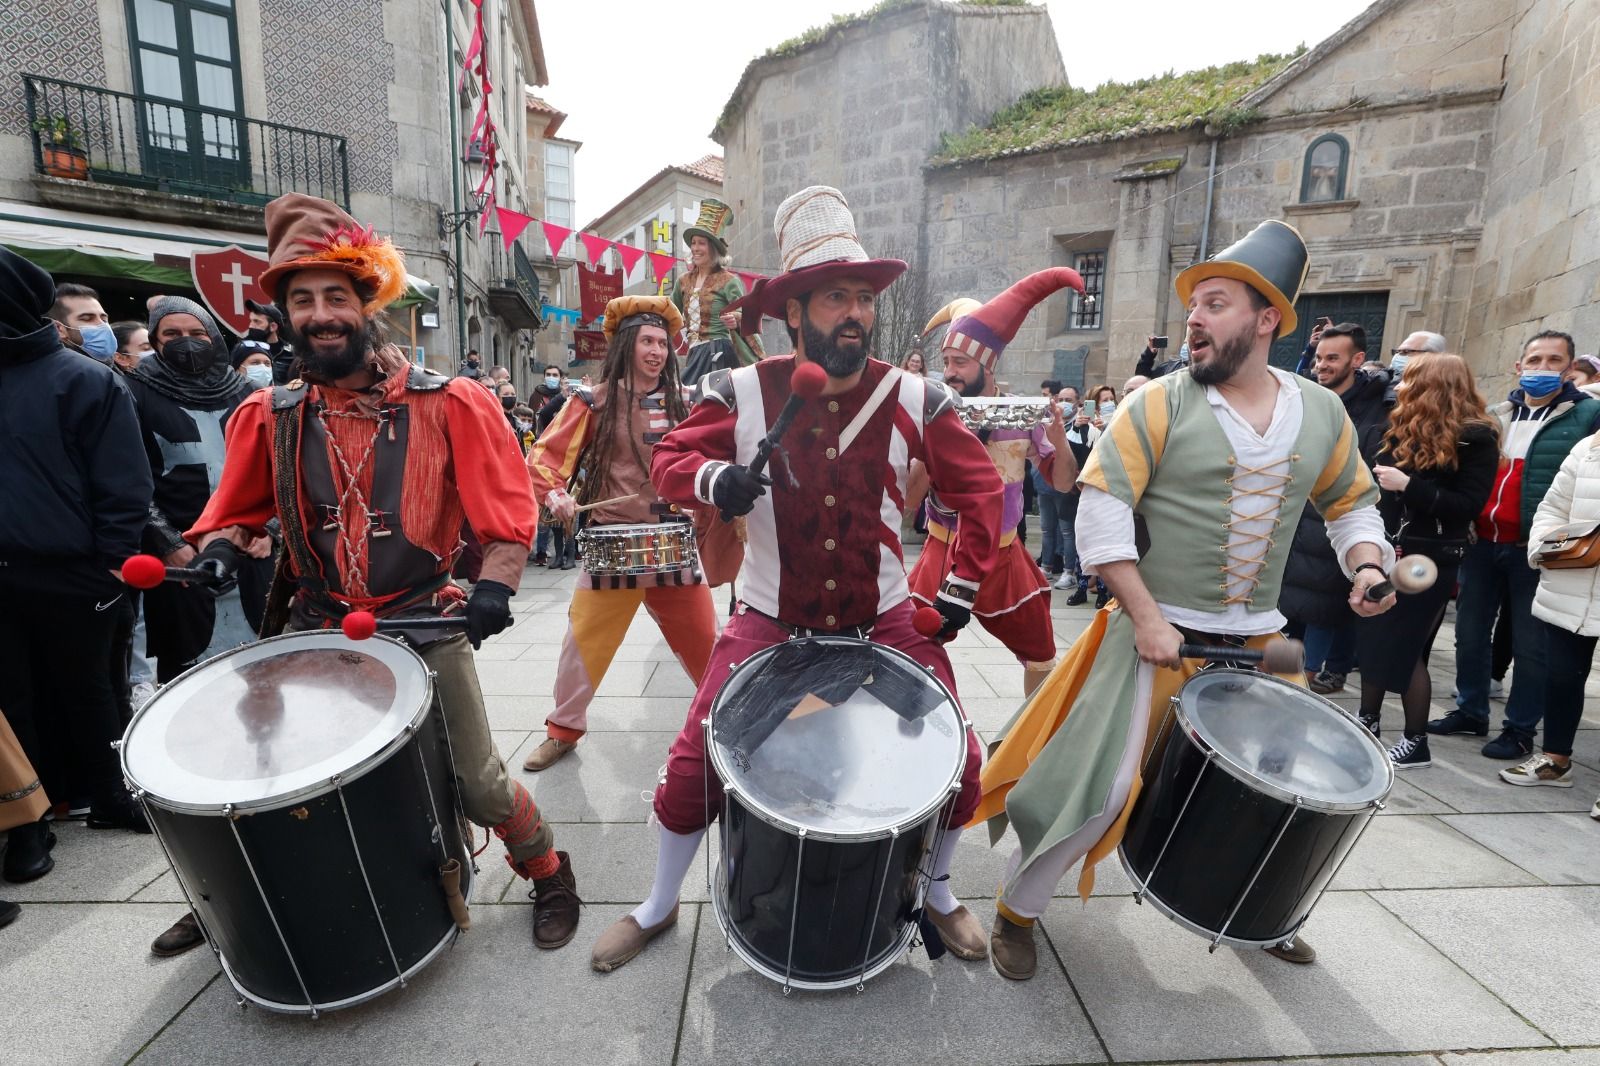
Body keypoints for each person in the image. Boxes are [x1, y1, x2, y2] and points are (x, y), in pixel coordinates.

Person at [151, 192, 578, 958]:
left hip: (422, 615)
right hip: (314, 620)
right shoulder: (272, 414)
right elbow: (233, 509)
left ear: (365, 304)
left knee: (478, 784)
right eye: (303, 299)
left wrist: (497, 585)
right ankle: (236, 898)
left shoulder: (453, 403)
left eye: (335, 297)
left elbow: (505, 513)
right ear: (285, 315)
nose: (320, 314)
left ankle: (545, 866)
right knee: (265, 770)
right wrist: (217, 548)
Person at [589, 185, 1004, 972]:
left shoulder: (916, 395)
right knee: (693, 766)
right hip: (769, 621)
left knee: (963, 763)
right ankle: (657, 905)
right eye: (836, 298)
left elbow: (982, 490)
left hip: (883, 619)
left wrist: (959, 587)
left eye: (863, 298)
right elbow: (673, 461)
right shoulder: (740, 392)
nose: (854, 313)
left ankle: (941, 893)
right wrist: (717, 482)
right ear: (795, 313)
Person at [972, 220, 1396, 978]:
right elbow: (1101, 517)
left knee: (1285, 797)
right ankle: (1017, 910)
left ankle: (1263, 915)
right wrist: (1146, 616)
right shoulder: (1158, 404)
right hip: (1153, 631)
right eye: (1194, 305)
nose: (1194, 319)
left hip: (1264, 641)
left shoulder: (1321, 413)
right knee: (1098, 789)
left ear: (1267, 320)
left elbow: (1351, 504)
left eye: (1217, 304)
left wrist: (1367, 566)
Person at [0, 248, 155, 880]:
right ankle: (27, 823)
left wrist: (115, 565)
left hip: (76, 571)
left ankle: (113, 796)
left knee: (92, 687)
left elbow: (123, 482)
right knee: (11, 703)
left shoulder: (84, 379)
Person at [522, 296, 721, 772]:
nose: (657, 351)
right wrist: (556, 497)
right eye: (647, 341)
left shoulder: (688, 401)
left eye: (663, 343)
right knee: (581, 644)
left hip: (673, 543)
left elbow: (717, 455)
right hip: (612, 543)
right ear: (627, 345)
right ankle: (564, 730)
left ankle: (728, 720)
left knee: (709, 644)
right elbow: (542, 461)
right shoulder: (592, 400)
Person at [913, 268, 1085, 696]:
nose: (949, 371)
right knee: (910, 648)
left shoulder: (1022, 416)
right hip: (941, 546)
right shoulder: (933, 410)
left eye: (960, 362)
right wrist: (928, 446)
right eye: (946, 362)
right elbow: (905, 499)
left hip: (1003, 554)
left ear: (987, 364)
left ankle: (1033, 746)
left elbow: (1063, 484)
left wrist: (1060, 440)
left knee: (1043, 653)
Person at [1432, 331, 1600, 758]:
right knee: (1469, 635)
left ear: (1569, 368)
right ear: (1518, 365)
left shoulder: (1588, 417)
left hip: (1538, 551)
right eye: (1534, 359)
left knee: (1531, 646)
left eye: (1553, 360)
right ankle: (1470, 710)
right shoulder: (1494, 416)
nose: (1542, 368)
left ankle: (1520, 730)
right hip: (1484, 543)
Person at [1354, 354, 1497, 767]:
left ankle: (1416, 741)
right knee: (1373, 639)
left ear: (1435, 386)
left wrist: (1409, 485)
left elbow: (1466, 505)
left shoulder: (1477, 438)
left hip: (1429, 560)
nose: (1400, 386)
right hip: (1390, 548)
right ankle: (1368, 722)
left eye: (1410, 379)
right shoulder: (1403, 426)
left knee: (1405, 649)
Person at [126, 297, 255, 683]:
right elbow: (130, 479)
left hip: (248, 550)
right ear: (156, 340)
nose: (187, 341)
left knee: (262, 669)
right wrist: (168, 543)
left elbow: (275, 469)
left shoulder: (246, 392)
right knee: (189, 678)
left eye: (197, 332)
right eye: (172, 334)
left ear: (213, 336)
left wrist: (266, 528)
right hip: (180, 558)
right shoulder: (133, 391)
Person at [1280, 322, 1393, 695]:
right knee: (1286, 629)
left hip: (1334, 531)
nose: (1322, 365)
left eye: (1333, 358)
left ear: (1357, 360)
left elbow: (1358, 488)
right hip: (1293, 531)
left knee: (1323, 617)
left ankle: (1316, 676)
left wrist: (1369, 563)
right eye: (1318, 357)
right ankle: (1282, 684)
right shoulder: (1302, 399)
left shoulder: (1380, 410)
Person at [1501, 428, 1600, 808]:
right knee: (1561, 676)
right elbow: (1553, 506)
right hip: (1572, 581)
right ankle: (1555, 761)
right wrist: (1545, 546)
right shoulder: (1589, 447)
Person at [669, 198, 762, 384]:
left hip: (718, 352)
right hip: (694, 353)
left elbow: (746, 313)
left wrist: (735, 318)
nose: (695, 248)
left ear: (712, 248)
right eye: (693, 243)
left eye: (701, 243)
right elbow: (668, 310)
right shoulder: (683, 282)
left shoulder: (728, 281)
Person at [46, 282, 117, 364]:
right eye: (87, 319)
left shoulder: (111, 367)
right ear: (59, 329)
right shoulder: (62, 371)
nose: (102, 325)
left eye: (104, 319)